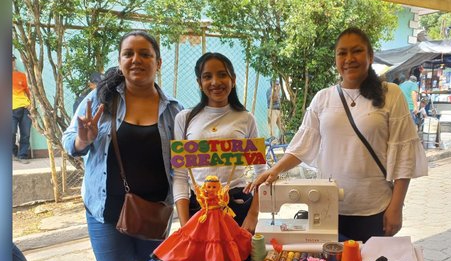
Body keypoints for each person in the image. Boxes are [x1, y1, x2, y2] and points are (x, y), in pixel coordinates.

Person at [245, 27, 428, 242]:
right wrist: (274, 170)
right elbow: (303, 145)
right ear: (336, 60)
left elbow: (403, 153)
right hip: (326, 206)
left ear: (370, 56)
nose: (349, 58)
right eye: (342, 53)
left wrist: (396, 207)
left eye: (357, 51)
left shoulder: (391, 94)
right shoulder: (323, 98)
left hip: (374, 208)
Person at [62, 30, 182, 261]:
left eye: (145, 54)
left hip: (155, 216)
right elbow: (69, 140)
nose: (136, 59)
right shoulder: (100, 99)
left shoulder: (174, 110)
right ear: (120, 61)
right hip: (106, 215)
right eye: (128, 53)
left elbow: (183, 164)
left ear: (158, 63)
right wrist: (82, 140)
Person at [173, 52, 267, 233]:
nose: (215, 82)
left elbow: (261, 173)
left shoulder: (246, 118)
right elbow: (180, 176)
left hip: (237, 208)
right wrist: (184, 226)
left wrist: (253, 215)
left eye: (222, 74)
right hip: (198, 209)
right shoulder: (184, 119)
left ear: (233, 79)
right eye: (207, 76)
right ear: (199, 83)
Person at [12, 55, 32, 163]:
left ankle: (22, 155)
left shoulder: (22, 76)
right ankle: (13, 152)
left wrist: (31, 105)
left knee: (26, 133)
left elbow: (29, 92)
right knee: (11, 132)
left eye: (13, 61)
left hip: (25, 107)